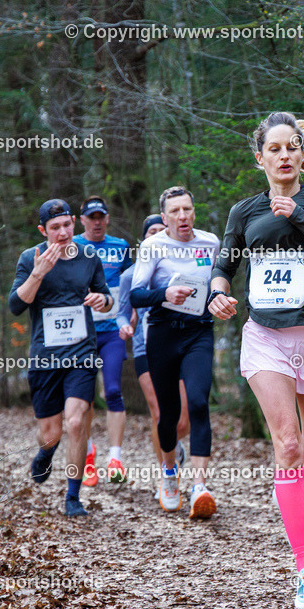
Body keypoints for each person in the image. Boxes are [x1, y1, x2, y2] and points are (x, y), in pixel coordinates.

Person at [209, 112, 304, 609]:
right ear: (261, 158)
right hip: (267, 340)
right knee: (288, 447)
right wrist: (217, 293)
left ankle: (295, 505)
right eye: (274, 148)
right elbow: (225, 264)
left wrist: (300, 217)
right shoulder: (243, 211)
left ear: (300, 152)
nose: (285, 154)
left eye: (292, 146)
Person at [9, 198, 113, 517]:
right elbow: (16, 305)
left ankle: (72, 496)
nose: (64, 232)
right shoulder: (31, 258)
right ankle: (45, 452)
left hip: (81, 353)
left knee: (77, 421)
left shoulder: (89, 256)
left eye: (68, 224)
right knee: (52, 432)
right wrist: (38, 273)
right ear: (43, 230)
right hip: (45, 358)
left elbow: (106, 298)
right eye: (55, 228)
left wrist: (103, 301)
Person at [131, 187, 221, 518]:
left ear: (194, 211)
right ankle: (169, 473)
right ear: (164, 217)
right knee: (168, 415)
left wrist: (218, 299)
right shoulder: (152, 246)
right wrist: (165, 293)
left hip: (199, 331)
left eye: (187, 209)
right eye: (175, 212)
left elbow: (218, 282)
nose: (182, 216)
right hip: (163, 334)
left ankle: (200, 486)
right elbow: (137, 296)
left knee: (198, 401)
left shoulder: (210, 243)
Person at [116, 214, 191, 509]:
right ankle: (167, 476)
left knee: (182, 420)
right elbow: (122, 310)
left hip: (179, 343)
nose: (159, 236)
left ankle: (173, 445)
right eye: (153, 232)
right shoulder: (130, 275)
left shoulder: (181, 268)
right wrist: (125, 323)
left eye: (163, 231)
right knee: (160, 412)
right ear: (145, 240)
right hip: (146, 347)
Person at [73, 196, 133, 486]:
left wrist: (130, 317)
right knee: (82, 399)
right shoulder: (72, 246)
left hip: (111, 330)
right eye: (91, 217)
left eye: (101, 217)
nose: (96, 222)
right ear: (81, 220)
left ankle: (115, 457)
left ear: (107, 219)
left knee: (112, 390)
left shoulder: (120, 247)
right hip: (81, 332)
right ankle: (87, 456)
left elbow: (134, 283)